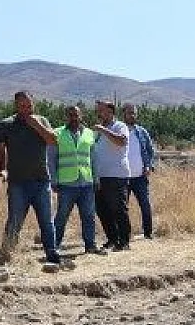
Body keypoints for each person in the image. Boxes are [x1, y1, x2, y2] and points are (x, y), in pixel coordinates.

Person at [0, 91, 62, 265]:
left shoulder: (42, 121)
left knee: (46, 220)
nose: (26, 109)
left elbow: (53, 141)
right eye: (22, 106)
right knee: (15, 220)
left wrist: (37, 125)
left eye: (29, 106)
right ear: (16, 106)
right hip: (18, 183)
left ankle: (51, 253)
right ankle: (7, 253)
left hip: (41, 181)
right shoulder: (6, 125)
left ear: (33, 105)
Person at [49, 104, 99, 255]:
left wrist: (96, 178)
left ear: (81, 116)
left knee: (89, 216)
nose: (74, 118)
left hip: (86, 182)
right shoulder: (57, 133)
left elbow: (93, 158)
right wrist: (53, 180)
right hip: (66, 183)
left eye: (76, 115)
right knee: (62, 216)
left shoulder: (90, 133)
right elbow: (51, 159)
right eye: (71, 115)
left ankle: (90, 245)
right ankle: (55, 246)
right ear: (66, 117)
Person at [90, 100, 132, 252]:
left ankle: (124, 241)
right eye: (98, 110)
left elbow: (121, 141)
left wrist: (104, 130)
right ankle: (112, 239)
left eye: (101, 110)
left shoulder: (120, 126)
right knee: (102, 209)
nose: (99, 113)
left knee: (118, 209)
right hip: (100, 176)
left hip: (116, 175)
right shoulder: (98, 131)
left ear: (110, 112)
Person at [121, 103, 157, 240]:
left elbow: (150, 151)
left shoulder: (142, 132)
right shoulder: (119, 131)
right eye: (129, 113)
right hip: (123, 177)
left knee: (145, 204)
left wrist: (149, 166)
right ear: (123, 114)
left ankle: (148, 233)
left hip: (140, 177)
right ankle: (125, 234)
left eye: (134, 113)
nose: (132, 115)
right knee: (123, 208)